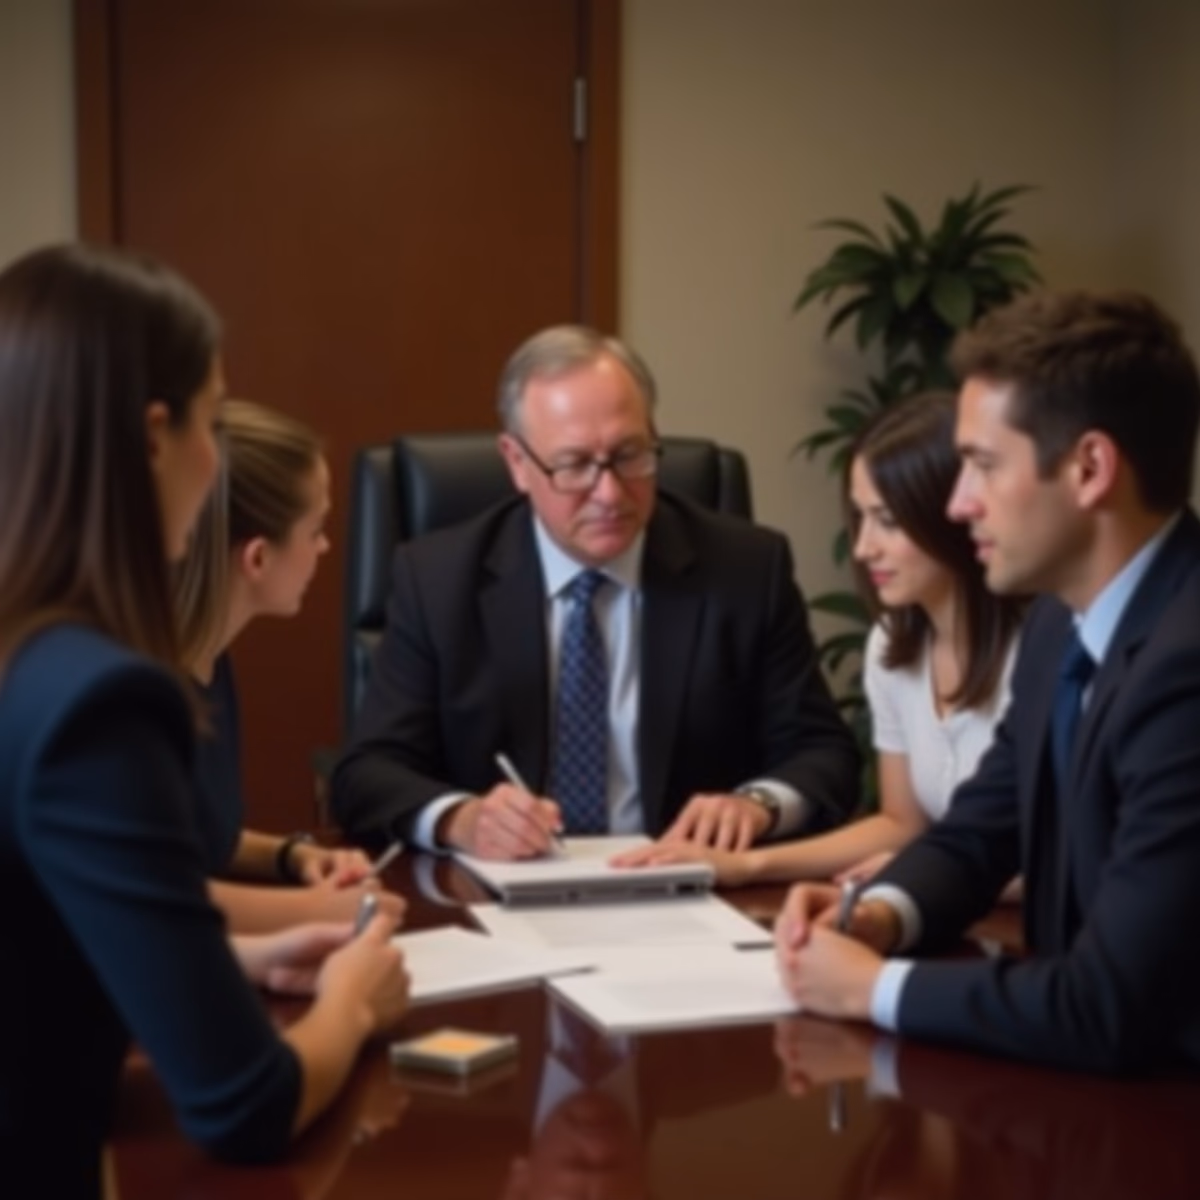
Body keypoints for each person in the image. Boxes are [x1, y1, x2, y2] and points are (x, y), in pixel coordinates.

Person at [0, 243, 410, 1195]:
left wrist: (244, 949)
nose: (216, 459)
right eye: (210, 418)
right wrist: (351, 1000)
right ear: (153, 437)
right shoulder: (97, 698)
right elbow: (246, 1106)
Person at [774, 289, 1200, 1074]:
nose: (959, 503)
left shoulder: (1186, 668)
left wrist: (874, 989)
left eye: (982, 465)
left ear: (1090, 468)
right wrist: (876, 917)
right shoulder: (1056, 626)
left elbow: (1106, 1004)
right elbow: (977, 834)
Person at [332, 324, 859, 859]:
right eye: (575, 464)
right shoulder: (438, 578)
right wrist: (462, 820)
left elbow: (824, 755)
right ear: (517, 462)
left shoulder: (746, 569)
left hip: (681, 884)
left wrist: (757, 804)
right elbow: (365, 774)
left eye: (630, 454)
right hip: (501, 893)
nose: (609, 493)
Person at [615, 392, 1023, 886]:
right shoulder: (893, 646)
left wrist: (931, 875)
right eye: (859, 517)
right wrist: (746, 866)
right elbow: (902, 825)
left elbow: (1079, 857)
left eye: (888, 522)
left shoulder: (1043, 649)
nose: (863, 547)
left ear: (954, 515)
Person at [174, 399, 406, 932]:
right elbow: (150, 895)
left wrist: (294, 857)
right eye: (315, 529)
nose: (325, 547)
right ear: (257, 557)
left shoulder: (209, 657)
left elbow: (201, 840)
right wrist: (319, 912)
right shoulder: (130, 693)